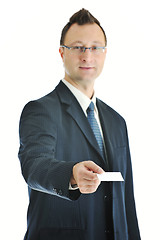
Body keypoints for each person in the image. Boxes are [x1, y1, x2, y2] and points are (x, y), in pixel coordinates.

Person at [18, 8, 141, 240]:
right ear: (62, 53)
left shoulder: (117, 122)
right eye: (77, 47)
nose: (87, 56)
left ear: (105, 53)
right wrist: (71, 174)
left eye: (95, 47)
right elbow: (34, 166)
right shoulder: (40, 110)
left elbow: (127, 201)